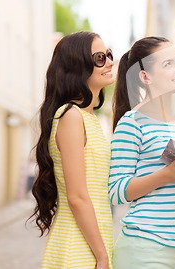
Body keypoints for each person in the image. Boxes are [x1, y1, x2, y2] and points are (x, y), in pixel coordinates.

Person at [110, 36, 175, 269]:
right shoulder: (132, 123)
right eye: (168, 64)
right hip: (145, 248)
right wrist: (167, 175)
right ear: (145, 76)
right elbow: (116, 192)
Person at [30, 31, 115, 269]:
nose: (109, 62)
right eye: (99, 57)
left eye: (109, 54)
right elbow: (76, 196)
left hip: (93, 243)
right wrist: (101, 256)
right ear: (77, 66)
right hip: (78, 248)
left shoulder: (88, 119)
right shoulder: (71, 116)